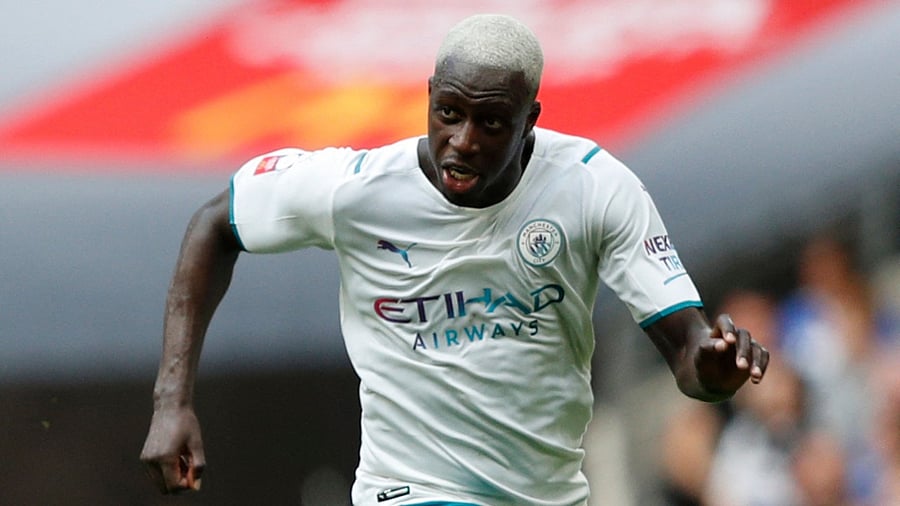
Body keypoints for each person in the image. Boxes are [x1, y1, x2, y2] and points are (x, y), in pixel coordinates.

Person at [139, 14, 769, 505]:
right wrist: (173, 401)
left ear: (531, 121)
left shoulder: (594, 188)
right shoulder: (357, 190)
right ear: (430, 97)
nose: (462, 142)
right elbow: (214, 225)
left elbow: (689, 354)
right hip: (408, 488)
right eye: (449, 114)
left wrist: (715, 372)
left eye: (492, 123)